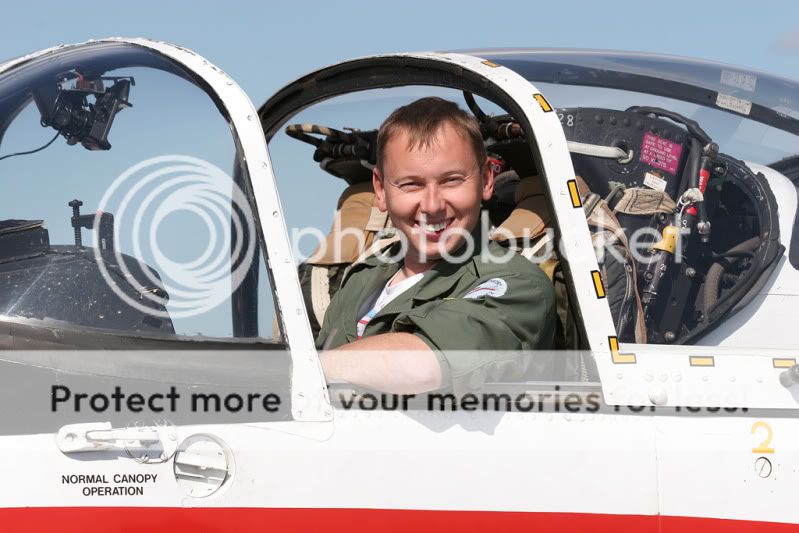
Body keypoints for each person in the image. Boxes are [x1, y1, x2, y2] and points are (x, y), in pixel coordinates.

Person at [317, 97, 555, 394]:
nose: (432, 205)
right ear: (380, 189)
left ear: (485, 180)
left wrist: (303, 369)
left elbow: (420, 368)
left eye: (452, 181)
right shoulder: (360, 279)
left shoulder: (517, 285)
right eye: (411, 184)